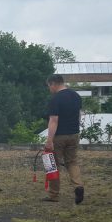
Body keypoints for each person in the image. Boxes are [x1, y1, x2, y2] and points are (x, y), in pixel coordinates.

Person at [43, 74, 84, 204]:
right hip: (74, 134)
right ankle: (78, 186)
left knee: (53, 165)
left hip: (59, 136)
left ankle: (54, 194)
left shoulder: (56, 99)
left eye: (49, 86)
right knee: (72, 162)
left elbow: (54, 120)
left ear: (53, 83)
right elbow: (78, 116)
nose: (49, 89)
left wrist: (49, 140)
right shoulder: (76, 96)